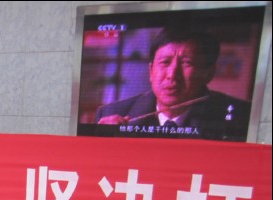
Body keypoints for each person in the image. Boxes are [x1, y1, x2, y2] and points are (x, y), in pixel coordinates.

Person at [95, 29, 250, 141]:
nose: (172, 75)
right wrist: (101, 139)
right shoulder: (112, 113)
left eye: (186, 63)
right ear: (151, 71)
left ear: (208, 73)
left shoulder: (242, 116)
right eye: (165, 62)